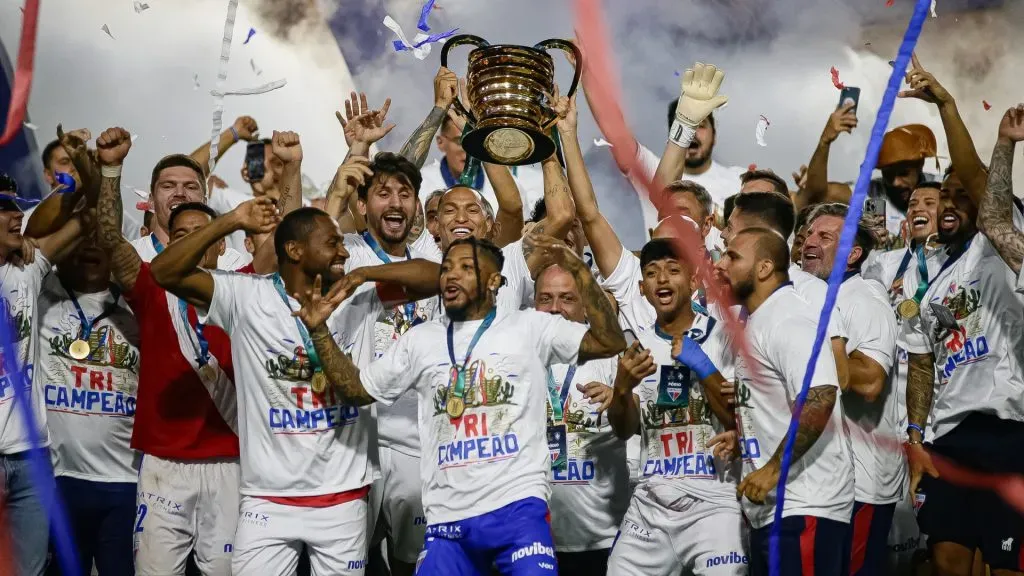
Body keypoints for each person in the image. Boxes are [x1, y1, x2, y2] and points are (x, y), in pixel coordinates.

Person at [297, 235, 623, 575]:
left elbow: (609, 341)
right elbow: (357, 390)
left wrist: (576, 268)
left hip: (517, 513)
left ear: (494, 281)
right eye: (447, 268)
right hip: (448, 524)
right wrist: (319, 331)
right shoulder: (420, 341)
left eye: (467, 268)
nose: (451, 276)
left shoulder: (528, 327)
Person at [152, 201, 440, 575]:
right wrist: (232, 221)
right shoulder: (246, 296)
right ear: (294, 250)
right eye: (332, 242)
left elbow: (439, 277)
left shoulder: (355, 295)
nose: (343, 251)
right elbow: (164, 271)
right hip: (267, 500)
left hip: (342, 499)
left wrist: (365, 272)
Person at [91, 127, 295, 576]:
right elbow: (108, 237)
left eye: (201, 234)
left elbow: (287, 243)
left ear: (221, 244)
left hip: (231, 462)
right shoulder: (147, 283)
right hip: (164, 466)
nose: (190, 240)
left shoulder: (244, 284)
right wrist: (110, 168)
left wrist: (290, 168)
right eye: (181, 233)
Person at [904, 104, 1024, 575]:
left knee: (1008, 564)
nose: (950, 203)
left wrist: (949, 107)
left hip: (1008, 428)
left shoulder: (997, 248)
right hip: (948, 438)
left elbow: (987, 198)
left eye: (959, 195)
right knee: (947, 559)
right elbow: (920, 364)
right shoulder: (931, 283)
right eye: (943, 197)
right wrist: (916, 437)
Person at [715, 227, 854, 576]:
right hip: (777, 509)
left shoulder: (788, 317)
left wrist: (773, 468)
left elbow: (821, 396)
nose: (721, 265)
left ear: (763, 269)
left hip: (805, 505)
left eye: (732, 257)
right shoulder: (760, 319)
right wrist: (747, 434)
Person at [605, 239, 745, 576]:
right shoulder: (637, 348)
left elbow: (737, 420)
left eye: (672, 270)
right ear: (642, 288)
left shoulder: (723, 334)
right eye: (652, 273)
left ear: (694, 281)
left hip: (713, 504)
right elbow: (624, 429)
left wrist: (701, 365)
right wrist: (621, 389)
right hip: (650, 504)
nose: (662, 280)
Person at [340, 151, 444, 576]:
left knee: (410, 568)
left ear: (417, 207)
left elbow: (439, 277)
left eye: (406, 194)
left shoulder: (431, 264)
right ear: (361, 205)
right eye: (383, 194)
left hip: (415, 449)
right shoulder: (343, 253)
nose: (396, 203)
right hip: (352, 444)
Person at [800, 203, 901, 576]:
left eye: (825, 237)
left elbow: (872, 380)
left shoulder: (865, 299)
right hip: (826, 478)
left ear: (853, 253)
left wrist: (828, 350)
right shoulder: (810, 297)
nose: (810, 242)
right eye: (808, 234)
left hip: (864, 480)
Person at [36, 236, 141, 576]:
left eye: (100, 239)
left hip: (125, 482)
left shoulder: (138, 306)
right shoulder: (42, 297)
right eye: (81, 239)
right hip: (57, 479)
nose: (89, 246)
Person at [1, 176, 89, 576]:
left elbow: (84, 222)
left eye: (16, 206)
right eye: (4, 208)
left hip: (31, 460)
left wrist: (91, 173)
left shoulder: (26, 271)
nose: (17, 215)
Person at [533, 263, 628, 574]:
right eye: (545, 298)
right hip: (534, 541)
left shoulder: (612, 358)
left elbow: (636, 424)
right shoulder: (518, 358)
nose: (555, 309)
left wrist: (620, 399)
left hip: (602, 538)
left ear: (587, 306)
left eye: (567, 298)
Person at [584, 62, 738, 230]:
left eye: (701, 126)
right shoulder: (650, 169)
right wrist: (584, 71)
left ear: (714, 136)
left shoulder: (740, 179)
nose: (693, 133)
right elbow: (615, 130)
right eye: (691, 126)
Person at [396, 68, 542, 222]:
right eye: (460, 142)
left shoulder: (504, 186)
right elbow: (397, 178)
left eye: (470, 141)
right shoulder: (423, 183)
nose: (467, 150)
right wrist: (439, 108)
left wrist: (478, 138)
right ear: (441, 143)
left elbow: (514, 212)